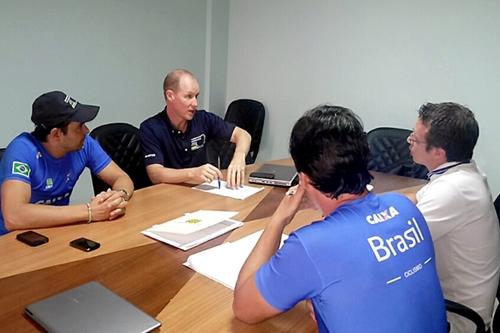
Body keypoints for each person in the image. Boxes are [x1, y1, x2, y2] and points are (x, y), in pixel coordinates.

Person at [233, 105, 447, 332]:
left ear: (304, 179)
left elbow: (244, 308)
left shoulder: (312, 246)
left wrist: (279, 219)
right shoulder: (406, 207)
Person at [406, 102, 500, 333]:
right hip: (454, 297)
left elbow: (397, 241)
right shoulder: (464, 172)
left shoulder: (453, 190)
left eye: (415, 139)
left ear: (439, 152)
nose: (409, 141)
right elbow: (416, 199)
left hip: (457, 317)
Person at [0, 91, 134, 235]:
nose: (86, 130)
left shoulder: (84, 144)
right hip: (15, 240)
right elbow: (13, 216)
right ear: (56, 134)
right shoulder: (22, 151)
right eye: (80, 126)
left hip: (57, 231)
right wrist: (90, 211)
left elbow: (122, 178)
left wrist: (118, 196)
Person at [139, 69, 251, 188]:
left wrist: (239, 157)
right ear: (170, 96)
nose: (195, 103)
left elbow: (243, 135)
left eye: (196, 96)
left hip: (200, 190)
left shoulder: (203, 118)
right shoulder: (151, 128)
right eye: (188, 96)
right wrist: (192, 174)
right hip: (167, 193)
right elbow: (155, 174)